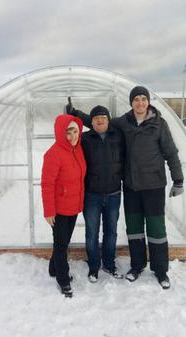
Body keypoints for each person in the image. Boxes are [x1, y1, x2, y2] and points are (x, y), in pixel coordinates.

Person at [67, 86, 184, 289]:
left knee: (157, 229)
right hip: (131, 186)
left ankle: (160, 270)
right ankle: (137, 266)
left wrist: (178, 179)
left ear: (148, 102)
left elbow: (171, 152)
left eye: (143, 99)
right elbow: (99, 123)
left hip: (154, 186)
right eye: (136, 99)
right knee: (135, 230)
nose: (140, 102)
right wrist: (76, 114)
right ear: (131, 102)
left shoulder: (159, 124)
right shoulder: (124, 122)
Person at [41, 114, 86, 297]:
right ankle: (63, 279)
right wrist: (49, 211)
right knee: (61, 245)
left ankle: (53, 268)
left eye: (75, 131)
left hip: (73, 206)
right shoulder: (53, 154)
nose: (73, 136)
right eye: (68, 132)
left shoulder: (78, 150)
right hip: (59, 209)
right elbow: (47, 184)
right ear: (61, 133)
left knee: (62, 242)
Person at [80, 105, 125, 283]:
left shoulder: (118, 136)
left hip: (114, 194)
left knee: (111, 232)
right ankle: (93, 267)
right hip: (92, 195)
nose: (100, 120)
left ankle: (109, 264)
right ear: (91, 122)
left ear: (108, 119)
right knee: (92, 233)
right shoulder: (84, 138)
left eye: (103, 117)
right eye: (96, 117)